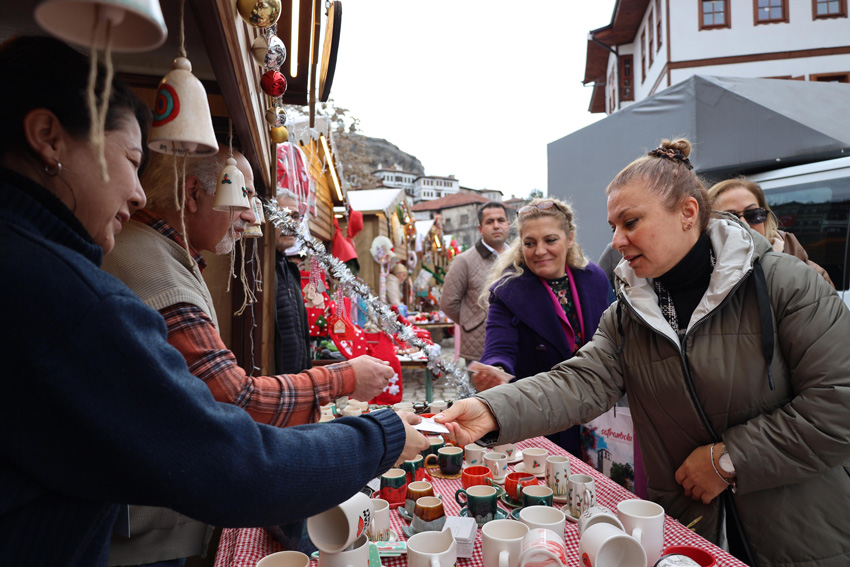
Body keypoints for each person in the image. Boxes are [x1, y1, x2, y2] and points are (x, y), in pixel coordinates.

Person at [0, 35, 429, 567]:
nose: (134, 193)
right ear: (48, 137)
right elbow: (229, 435)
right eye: (130, 161)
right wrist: (376, 433)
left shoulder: (49, 262)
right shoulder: (75, 290)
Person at [436, 139, 850, 567]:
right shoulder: (631, 311)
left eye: (630, 222)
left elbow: (839, 405)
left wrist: (728, 460)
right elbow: (581, 380)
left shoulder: (787, 284)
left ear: (688, 213)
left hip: (804, 533)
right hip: (693, 530)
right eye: (613, 225)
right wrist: (491, 410)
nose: (616, 240)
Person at [102, 149, 398, 565]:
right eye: (244, 197)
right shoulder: (156, 269)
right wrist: (345, 378)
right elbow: (236, 400)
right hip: (138, 531)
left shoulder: (164, 256)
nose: (251, 218)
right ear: (192, 193)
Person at [469, 198, 613, 456]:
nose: (539, 251)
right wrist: (496, 371)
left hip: (598, 418)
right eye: (530, 243)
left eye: (550, 240)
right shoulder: (507, 291)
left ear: (570, 238)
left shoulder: (595, 279)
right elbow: (499, 348)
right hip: (543, 421)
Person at [708, 177, 835, 288]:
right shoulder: (703, 273)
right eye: (731, 218)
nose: (745, 224)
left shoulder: (807, 268)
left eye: (754, 214)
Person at [440, 202, 509, 363]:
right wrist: (473, 322)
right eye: (490, 222)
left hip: (515, 344)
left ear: (508, 224)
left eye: (500, 220)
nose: (496, 226)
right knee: (483, 389)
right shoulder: (463, 260)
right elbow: (448, 303)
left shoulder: (519, 258)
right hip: (479, 347)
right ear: (480, 228)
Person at [273, 188, 311, 375]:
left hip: (295, 384)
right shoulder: (260, 269)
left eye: (295, 216)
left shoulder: (290, 270)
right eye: (282, 215)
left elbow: (302, 334)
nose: (290, 223)